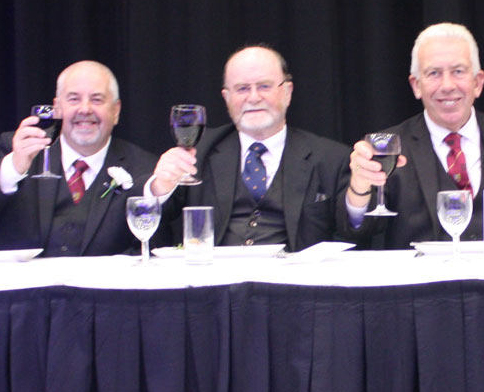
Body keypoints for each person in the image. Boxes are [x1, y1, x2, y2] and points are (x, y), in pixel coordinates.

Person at [337, 22, 484, 250]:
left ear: (478, 82)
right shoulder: (388, 147)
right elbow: (356, 231)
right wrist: (360, 188)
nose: (447, 85)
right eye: (434, 73)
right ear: (416, 86)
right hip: (422, 283)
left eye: (458, 71)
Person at [146, 45, 350, 251]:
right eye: (242, 88)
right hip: (214, 279)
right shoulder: (198, 151)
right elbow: (152, 219)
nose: (253, 98)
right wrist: (159, 188)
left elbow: (354, 230)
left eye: (264, 86)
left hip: (294, 280)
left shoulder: (330, 158)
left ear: (287, 92)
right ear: (226, 98)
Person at [0, 61, 159, 256]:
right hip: (27, 291)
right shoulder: (23, 152)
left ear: (116, 111)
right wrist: (14, 167)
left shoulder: (143, 167)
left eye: (97, 99)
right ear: (57, 108)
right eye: (74, 99)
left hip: (103, 292)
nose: (85, 109)